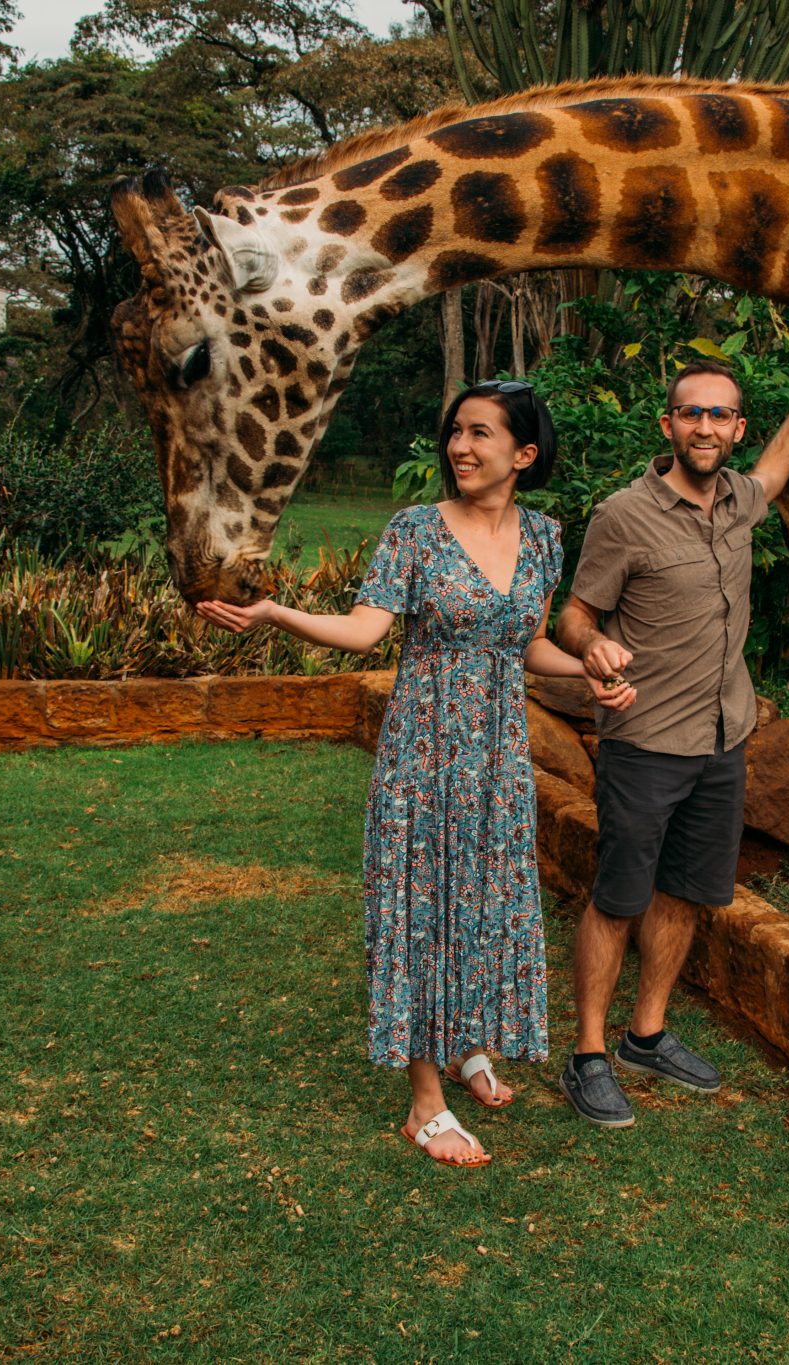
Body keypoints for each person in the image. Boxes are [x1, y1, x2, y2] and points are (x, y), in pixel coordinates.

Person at [198, 380, 631, 1167]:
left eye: (480, 434)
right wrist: (274, 614)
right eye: (455, 433)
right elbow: (366, 633)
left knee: (482, 895)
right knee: (423, 906)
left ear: (523, 455)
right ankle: (425, 1100)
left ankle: (466, 1042)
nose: (460, 447)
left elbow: (525, 644)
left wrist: (590, 671)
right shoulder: (415, 532)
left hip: (497, 759)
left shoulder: (543, 538)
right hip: (425, 754)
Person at [553, 350, 789, 1128]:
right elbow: (576, 613)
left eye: (719, 414)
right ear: (667, 423)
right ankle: (589, 1054)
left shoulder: (741, 498)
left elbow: (776, 472)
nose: (704, 426)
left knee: (684, 893)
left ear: (736, 427)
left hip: (721, 737)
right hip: (646, 740)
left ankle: (647, 1032)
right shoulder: (623, 514)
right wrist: (591, 646)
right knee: (619, 896)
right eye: (691, 412)